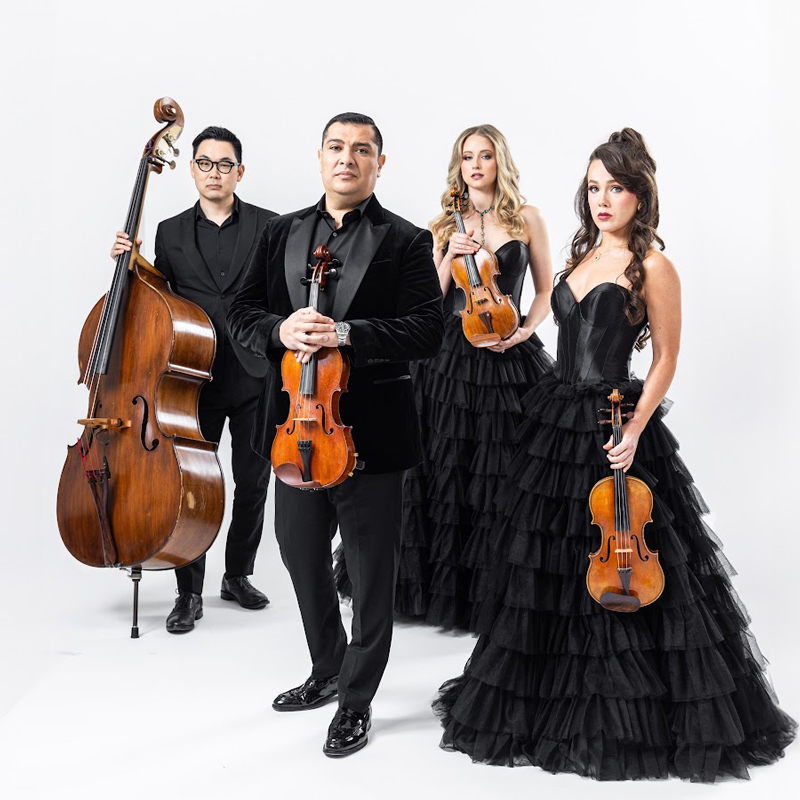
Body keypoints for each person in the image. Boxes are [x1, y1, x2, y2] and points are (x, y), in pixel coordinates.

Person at [434, 129, 796, 781]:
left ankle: (624, 711)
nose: (603, 199)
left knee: (622, 562)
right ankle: (547, 697)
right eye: (595, 186)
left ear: (641, 195)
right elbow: (554, 319)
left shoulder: (653, 266)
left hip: (614, 421)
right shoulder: (582, 253)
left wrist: (634, 428)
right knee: (546, 566)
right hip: (556, 414)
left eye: (617, 188)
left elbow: (666, 358)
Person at [227, 112, 444, 757]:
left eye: (362, 150)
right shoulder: (281, 232)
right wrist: (277, 330)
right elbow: (240, 310)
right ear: (319, 157)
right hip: (296, 428)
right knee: (296, 548)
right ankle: (327, 667)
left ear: (380, 162)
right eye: (336, 147)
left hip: (370, 434)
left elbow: (428, 331)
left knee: (372, 572)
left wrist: (349, 334)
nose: (347, 158)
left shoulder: (404, 241)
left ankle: (356, 702)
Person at [335, 124, 554, 631]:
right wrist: (449, 256)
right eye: (466, 157)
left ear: (500, 161)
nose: (475, 165)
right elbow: (427, 305)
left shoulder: (527, 219)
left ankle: (495, 593)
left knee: (500, 472)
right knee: (439, 470)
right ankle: (432, 593)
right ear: (459, 166)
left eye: (485, 156)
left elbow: (544, 292)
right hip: (448, 357)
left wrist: (523, 332)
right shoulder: (442, 225)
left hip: (507, 350)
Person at [111, 126, 276, 634]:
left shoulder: (272, 227)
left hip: (255, 374)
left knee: (252, 482)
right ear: (192, 169)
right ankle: (188, 593)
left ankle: (237, 575)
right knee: (187, 485)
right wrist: (130, 262)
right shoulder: (170, 231)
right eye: (205, 163)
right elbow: (160, 298)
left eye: (224, 165)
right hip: (191, 378)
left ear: (239, 172)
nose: (214, 173)